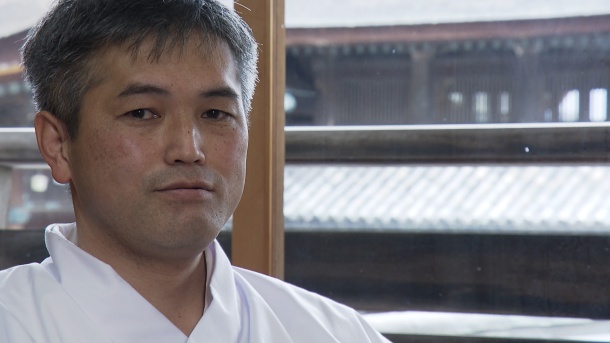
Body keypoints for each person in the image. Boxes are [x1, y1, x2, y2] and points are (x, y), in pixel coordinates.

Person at [0, 0, 390, 342]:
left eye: (216, 114)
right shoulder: (12, 321)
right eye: (142, 113)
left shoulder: (333, 332)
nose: (189, 149)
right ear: (58, 144)